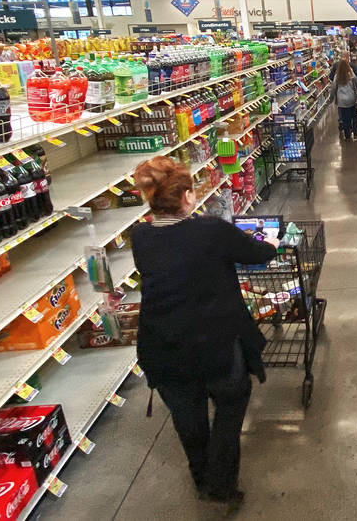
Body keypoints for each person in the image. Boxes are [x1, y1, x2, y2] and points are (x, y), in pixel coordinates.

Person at [129, 157, 278, 507]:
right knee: (229, 408)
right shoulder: (210, 230)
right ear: (186, 196)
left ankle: (203, 481)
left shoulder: (142, 237)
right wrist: (270, 241)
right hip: (216, 345)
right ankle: (222, 485)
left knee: (188, 421)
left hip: (163, 350)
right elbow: (256, 254)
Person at [333, 59, 357, 141]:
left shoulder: (337, 76)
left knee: (345, 119)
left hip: (342, 102)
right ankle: (356, 135)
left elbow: (334, 88)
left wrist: (332, 98)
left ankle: (347, 136)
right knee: (354, 117)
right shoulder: (350, 74)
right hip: (351, 99)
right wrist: (352, 73)